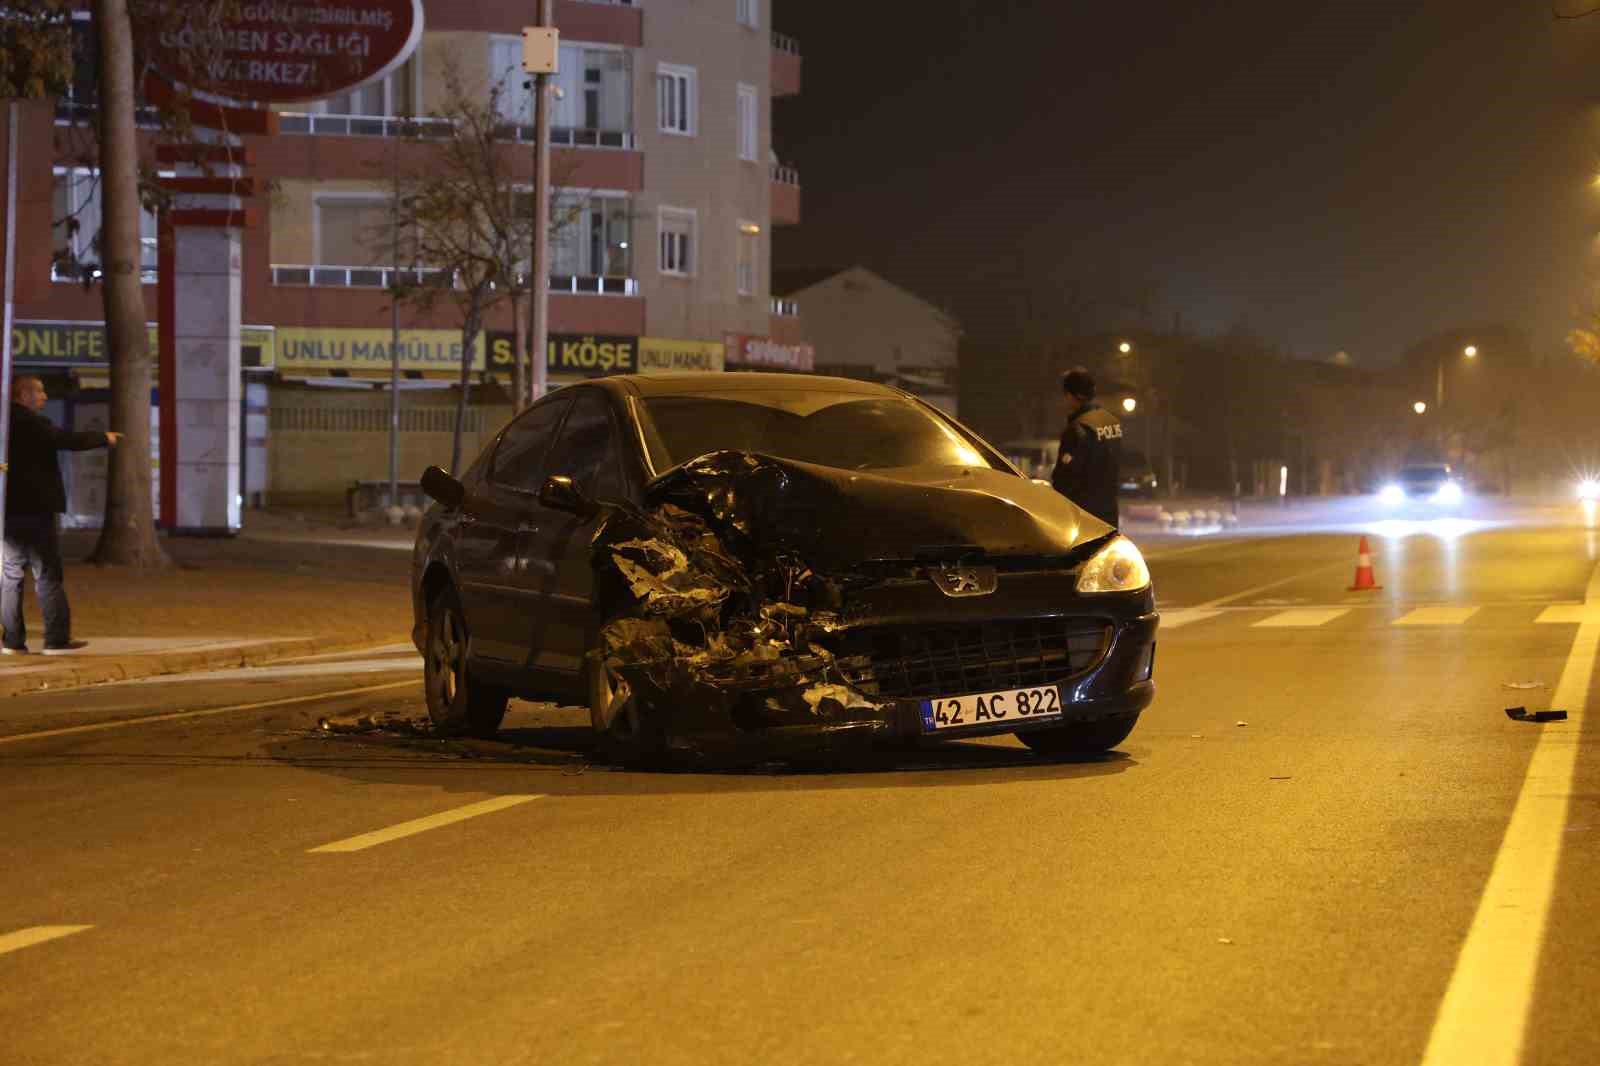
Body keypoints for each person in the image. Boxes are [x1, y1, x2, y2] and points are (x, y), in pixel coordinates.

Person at [3, 376, 121, 655]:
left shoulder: (5, 422)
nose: (44, 396)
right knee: (47, 573)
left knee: (10, 576)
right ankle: (56, 639)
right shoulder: (31, 423)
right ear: (24, 394)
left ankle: (12, 640)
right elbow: (65, 439)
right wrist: (103, 438)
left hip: (7, 511)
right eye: (40, 392)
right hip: (36, 510)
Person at [1050, 366, 1123, 527]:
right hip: (1110, 509)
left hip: (1085, 513)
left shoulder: (1078, 428)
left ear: (1070, 396)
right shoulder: (1112, 421)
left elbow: (1065, 477)